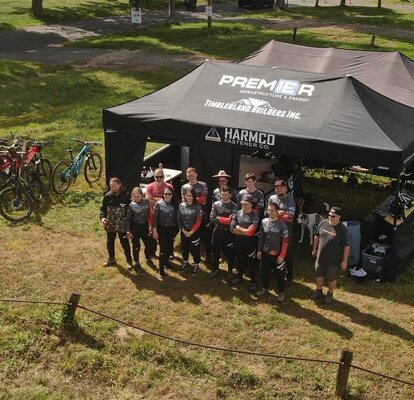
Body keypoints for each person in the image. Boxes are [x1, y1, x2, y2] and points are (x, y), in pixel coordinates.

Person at [311, 206, 350, 304]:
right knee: (319, 275)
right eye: (329, 215)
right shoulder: (323, 223)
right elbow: (317, 236)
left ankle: (330, 294)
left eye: (333, 216)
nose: (330, 218)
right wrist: (314, 249)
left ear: (339, 217)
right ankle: (319, 291)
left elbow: (346, 246)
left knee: (331, 278)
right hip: (321, 257)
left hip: (334, 260)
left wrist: (345, 261)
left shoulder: (343, 229)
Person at [256, 202, 289, 303]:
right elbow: (261, 237)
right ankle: (265, 289)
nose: (270, 212)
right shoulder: (264, 221)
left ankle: (281, 293)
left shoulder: (282, 225)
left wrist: (282, 255)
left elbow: (285, 241)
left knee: (279, 275)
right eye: (268, 210)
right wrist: (259, 250)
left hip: (277, 255)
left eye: (272, 210)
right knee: (264, 272)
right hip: (265, 253)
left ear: (278, 211)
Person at [266, 179, 296, 286]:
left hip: (286, 232)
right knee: (274, 252)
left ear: (285, 189)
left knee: (288, 255)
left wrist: (276, 214)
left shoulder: (290, 199)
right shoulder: (272, 198)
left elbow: (290, 218)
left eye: (281, 187)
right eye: (277, 188)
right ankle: (276, 271)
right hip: (274, 231)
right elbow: (267, 213)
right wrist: (281, 213)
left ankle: (289, 278)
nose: (279, 189)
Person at [100, 177, 132, 269]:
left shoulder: (126, 196)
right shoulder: (107, 196)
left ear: (119, 184)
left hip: (122, 226)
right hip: (110, 225)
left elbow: (130, 210)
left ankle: (129, 261)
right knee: (110, 242)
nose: (113, 188)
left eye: (114, 186)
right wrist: (103, 218)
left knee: (124, 243)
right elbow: (103, 209)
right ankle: (111, 259)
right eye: (111, 186)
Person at [230, 194, 259, 292]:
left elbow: (251, 232)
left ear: (251, 204)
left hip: (250, 243)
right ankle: (239, 277)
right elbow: (232, 229)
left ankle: (252, 282)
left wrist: (240, 228)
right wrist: (245, 231)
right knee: (239, 260)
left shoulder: (255, 215)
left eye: (246, 204)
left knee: (252, 263)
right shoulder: (237, 213)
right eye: (243, 203)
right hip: (239, 241)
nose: (244, 205)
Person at [181, 167, 211, 263]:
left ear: (196, 175)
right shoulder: (184, 187)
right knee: (191, 237)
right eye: (188, 176)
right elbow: (183, 201)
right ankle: (194, 257)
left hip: (202, 215)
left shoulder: (203, 185)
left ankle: (208, 256)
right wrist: (197, 199)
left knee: (206, 237)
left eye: (192, 175)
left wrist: (190, 200)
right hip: (190, 216)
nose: (190, 177)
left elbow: (204, 200)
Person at [144, 165, 173, 262]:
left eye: (161, 177)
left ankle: (168, 254)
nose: (159, 179)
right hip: (152, 216)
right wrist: (163, 200)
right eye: (157, 177)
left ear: (164, 177)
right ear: (154, 177)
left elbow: (171, 200)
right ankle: (151, 254)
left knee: (166, 239)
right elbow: (148, 199)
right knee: (152, 237)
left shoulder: (169, 186)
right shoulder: (150, 186)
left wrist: (155, 199)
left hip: (165, 218)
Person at [209, 185, 238, 279]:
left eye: (226, 194)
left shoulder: (234, 206)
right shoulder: (216, 204)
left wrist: (219, 218)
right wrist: (225, 219)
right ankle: (215, 269)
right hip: (217, 231)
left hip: (228, 233)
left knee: (230, 252)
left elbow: (232, 221)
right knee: (215, 251)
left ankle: (230, 270)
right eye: (222, 194)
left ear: (230, 194)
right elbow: (212, 218)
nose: (224, 196)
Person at [125, 187, 153, 272]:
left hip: (145, 227)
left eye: (138, 196)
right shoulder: (131, 205)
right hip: (135, 228)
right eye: (135, 196)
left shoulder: (146, 202)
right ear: (132, 196)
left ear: (142, 195)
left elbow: (150, 214)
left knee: (148, 244)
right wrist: (128, 231)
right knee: (136, 246)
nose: (137, 198)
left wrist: (151, 225)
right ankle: (136, 262)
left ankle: (148, 258)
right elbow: (128, 219)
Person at [152, 188, 178, 277]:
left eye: (169, 194)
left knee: (170, 248)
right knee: (163, 249)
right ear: (163, 195)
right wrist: (154, 230)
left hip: (172, 230)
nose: (167, 196)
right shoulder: (158, 204)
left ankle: (166, 263)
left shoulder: (175, 204)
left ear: (172, 194)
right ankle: (161, 269)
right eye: (165, 194)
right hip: (162, 230)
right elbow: (154, 218)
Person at [178, 187, 203, 274]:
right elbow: (178, 219)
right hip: (184, 231)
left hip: (194, 232)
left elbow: (199, 221)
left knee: (195, 249)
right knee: (184, 248)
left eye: (190, 195)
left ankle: (196, 265)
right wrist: (183, 230)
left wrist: (191, 232)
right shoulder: (181, 206)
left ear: (194, 196)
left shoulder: (197, 207)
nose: (188, 197)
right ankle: (185, 262)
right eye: (187, 195)